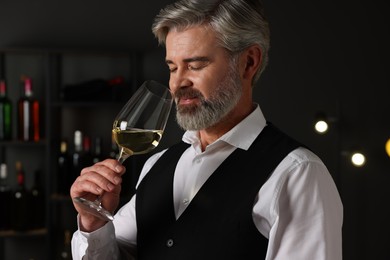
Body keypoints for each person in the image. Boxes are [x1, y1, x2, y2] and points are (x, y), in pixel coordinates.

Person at [70, 0, 343, 259]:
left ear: (249, 62)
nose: (177, 83)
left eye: (195, 65)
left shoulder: (297, 174)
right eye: (173, 67)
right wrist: (94, 224)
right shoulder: (157, 165)